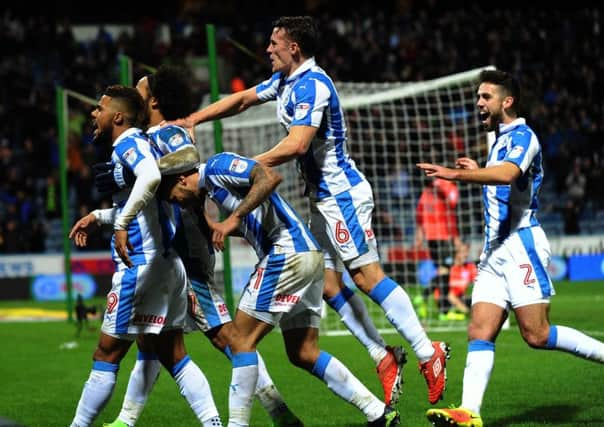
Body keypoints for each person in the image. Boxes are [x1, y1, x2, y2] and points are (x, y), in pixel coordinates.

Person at [171, 15, 447, 406]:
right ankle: (382, 356)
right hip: (323, 200)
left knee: (367, 278)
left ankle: (426, 353)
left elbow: (299, 144)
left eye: (274, 43)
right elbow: (244, 98)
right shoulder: (285, 82)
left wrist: (245, 167)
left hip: (342, 195)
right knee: (330, 284)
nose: (267, 49)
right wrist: (194, 118)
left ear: (293, 48)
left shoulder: (313, 85)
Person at [90, 65, 300, 427]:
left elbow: (187, 161)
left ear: (152, 99)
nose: (133, 92)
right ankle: (125, 420)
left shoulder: (168, 132)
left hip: (185, 253)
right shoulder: (140, 138)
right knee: (151, 340)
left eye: (139, 89)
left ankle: (278, 412)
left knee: (228, 339)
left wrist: (133, 173)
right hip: (170, 253)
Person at [158, 146, 400, 426]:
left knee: (240, 341)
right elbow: (247, 221)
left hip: (287, 253)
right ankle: (378, 412)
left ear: (181, 179)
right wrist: (208, 218)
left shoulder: (216, 166)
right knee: (303, 352)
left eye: (170, 194)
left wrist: (231, 220)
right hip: (307, 256)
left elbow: (269, 177)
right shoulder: (211, 190)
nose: (173, 201)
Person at [418, 69, 604, 427]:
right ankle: (469, 412)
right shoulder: (498, 140)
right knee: (480, 330)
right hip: (493, 252)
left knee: (537, 334)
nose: (478, 104)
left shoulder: (523, 135)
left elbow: (506, 175)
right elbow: (499, 181)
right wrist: (477, 169)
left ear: (507, 101)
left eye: (485, 97)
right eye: (477, 97)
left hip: (521, 245)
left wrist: (456, 174)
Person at [68, 85, 222, 427]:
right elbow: (147, 203)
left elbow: (151, 177)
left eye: (100, 108)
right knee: (174, 355)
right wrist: (100, 217)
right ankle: (214, 423)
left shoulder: (128, 144)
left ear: (118, 117)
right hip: (168, 266)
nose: (94, 113)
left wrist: (120, 223)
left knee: (106, 353)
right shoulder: (144, 144)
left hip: (141, 266)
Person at [414, 178, 462, 320]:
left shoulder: (426, 191)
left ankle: (442, 309)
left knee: (441, 270)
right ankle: (442, 309)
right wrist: (456, 238)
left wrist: (420, 235)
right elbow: (452, 207)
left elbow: (419, 215)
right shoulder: (449, 186)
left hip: (430, 236)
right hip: (444, 234)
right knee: (445, 271)